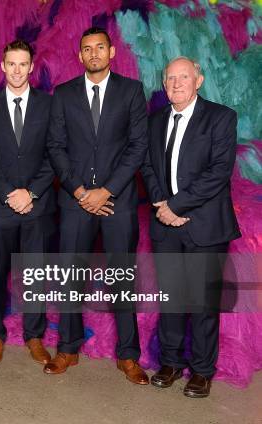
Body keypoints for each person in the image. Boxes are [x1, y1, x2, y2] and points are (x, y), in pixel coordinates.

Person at [46, 27, 149, 384]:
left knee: (122, 277)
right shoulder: (63, 94)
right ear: (80, 56)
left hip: (116, 201)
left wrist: (106, 191)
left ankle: (128, 355)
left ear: (111, 52)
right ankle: (68, 349)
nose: (94, 54)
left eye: (100, 47)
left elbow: (138, 146)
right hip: (75, 201)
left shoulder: (132, 91)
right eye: (87, 49)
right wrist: (78, 191)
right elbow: (55, 146)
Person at [140, 56, 240, 398]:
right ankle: (170, 362)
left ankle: (201, 371)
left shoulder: (221, 117)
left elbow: (219, 171)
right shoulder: (154, 121)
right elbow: (148, 168)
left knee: (202, 303)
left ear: (198, 80)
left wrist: (177, 206)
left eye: (183, 77)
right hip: (165, 225)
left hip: (206, 226)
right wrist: (163, 206)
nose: (176, 84)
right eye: (169, 78)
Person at [0, 40, 55, 364]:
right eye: (11, 64)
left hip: (37, 205)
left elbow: (56, 153)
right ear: (2, 65)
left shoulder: (48, 106)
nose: (16, 70)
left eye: (22, 64)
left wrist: (32, 192)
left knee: (35, 273)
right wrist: (8, 194)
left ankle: (34, 335)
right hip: (0, 206)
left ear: (31, 67)